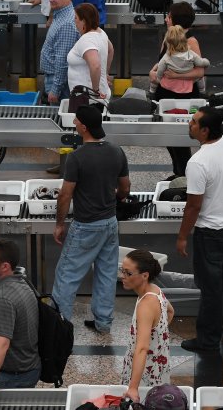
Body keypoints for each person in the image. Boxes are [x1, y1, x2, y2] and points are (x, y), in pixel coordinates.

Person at [51, 105, 131, 332]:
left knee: (67, 275)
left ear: (84, 127)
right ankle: (103, 323)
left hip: (86, 225)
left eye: (76, 121)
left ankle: (60, 327)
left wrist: (59, 224)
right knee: (106, 274)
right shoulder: (116, 151)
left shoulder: (77, 157)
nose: (74, 123)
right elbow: (125, 188)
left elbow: (65, 194)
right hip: (110, 223)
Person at [176, 106, 223, 352]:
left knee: (210, 287)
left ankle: (207, 339)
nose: (189, 124)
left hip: (210, 232)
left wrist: (183, 236)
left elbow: (194, 206)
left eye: (193, 122)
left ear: (205, 131)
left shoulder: (198, 162)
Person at [149, 2, 206, 177]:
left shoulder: (191, 41)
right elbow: (161, 60)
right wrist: (153, 72)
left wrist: (175, 76)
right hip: (164, 93)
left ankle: (184, 174)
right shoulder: (169, 37)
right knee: (168, 138)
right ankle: (178, 172)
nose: (166, 19)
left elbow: (199, 71)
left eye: (169, 16)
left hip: (183, 95)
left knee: (180, 140)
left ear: (176, 20)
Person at [0, 239, 40, 395]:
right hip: (30, 367)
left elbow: (2, 344)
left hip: (13, 376)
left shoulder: (3, 298)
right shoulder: (23, 283)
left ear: (5, 266)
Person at [120, 249, 175, 400]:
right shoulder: (156, 290)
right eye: (122, 270)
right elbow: (170, 311)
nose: (122, 276)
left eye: (128, 273)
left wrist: (133, 387)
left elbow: (143, 348)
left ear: (145, 275)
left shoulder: (146, 304)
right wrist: (157, 339)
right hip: (158, 368)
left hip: (145, 373)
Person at [40, 0, 81, 105]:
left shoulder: (67, 24)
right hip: (53, 77)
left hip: (59, 82)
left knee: (59, 119)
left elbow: (62, 60)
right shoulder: (60, 14)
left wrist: (55, 89)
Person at [68, 3, 114, 100]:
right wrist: (105, 74)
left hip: (87, 99)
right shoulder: (100, 32)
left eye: (76, 18)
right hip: (96, 95)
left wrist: (95, 91)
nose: (74, 20)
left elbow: (95, 65)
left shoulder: (87, 40)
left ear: (83, 21)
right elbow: (110, 50)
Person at [150, 25, 211, 96]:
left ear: (168, 43)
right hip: (187, 83)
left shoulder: (166, 57)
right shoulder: (190, 54)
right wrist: (207, 63)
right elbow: (201, 63)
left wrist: (157, 79)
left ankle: (152, 91)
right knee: (200, 76)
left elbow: (160, 72)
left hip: (170, 84)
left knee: (157, 67)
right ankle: (202, 91)